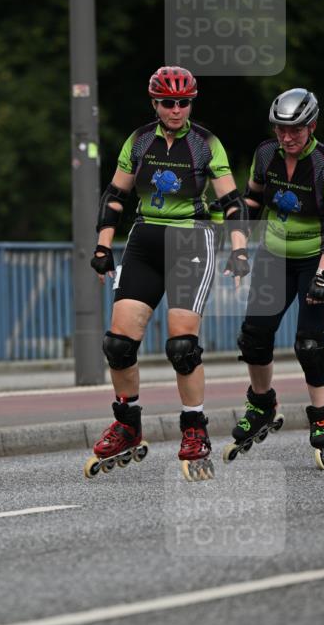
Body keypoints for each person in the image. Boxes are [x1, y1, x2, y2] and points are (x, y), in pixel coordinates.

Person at [88, 65, 250, 481]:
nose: (176, 109)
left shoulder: (206, 143)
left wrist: (239, 251)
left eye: (183, 102)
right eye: (167, 102)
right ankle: (127, 424)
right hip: (144, 240)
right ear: (155, 103)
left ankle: (194, 429)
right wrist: (104, 244)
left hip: (192, 241)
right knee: (118, 344)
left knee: (181, 346)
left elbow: (232, 201)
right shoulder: (139, 140)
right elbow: (115, 195)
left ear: (191, 103)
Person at [229, 88, 324, 468]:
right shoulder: (266, 154)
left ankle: (323, 418)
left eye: (295, 130)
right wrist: (237, 248)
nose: (286, 137)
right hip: (275, 256)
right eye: (280, 129)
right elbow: (250, 202)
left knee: (309, 343)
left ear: (311, 126)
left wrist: (323, 274)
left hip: (319, 257)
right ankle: (263, 404)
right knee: (253, 336)